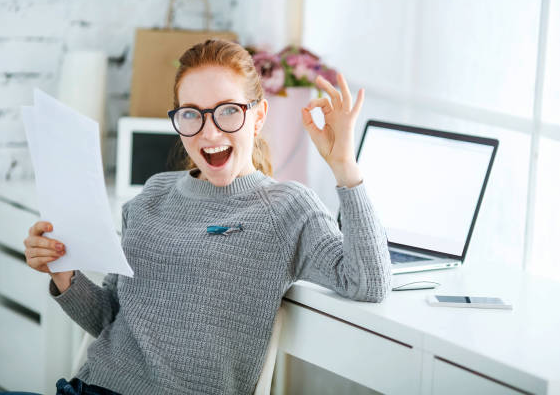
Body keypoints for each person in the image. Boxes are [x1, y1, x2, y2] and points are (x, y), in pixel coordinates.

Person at [21, 39, 392, 395]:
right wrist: (63, 274)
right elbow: (110, 319)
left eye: (228, 110)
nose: (209, 131)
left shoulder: (288, 208)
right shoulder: (153, 195)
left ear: (258, 116)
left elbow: (368, 282)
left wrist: (344, 166)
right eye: (191, 114)